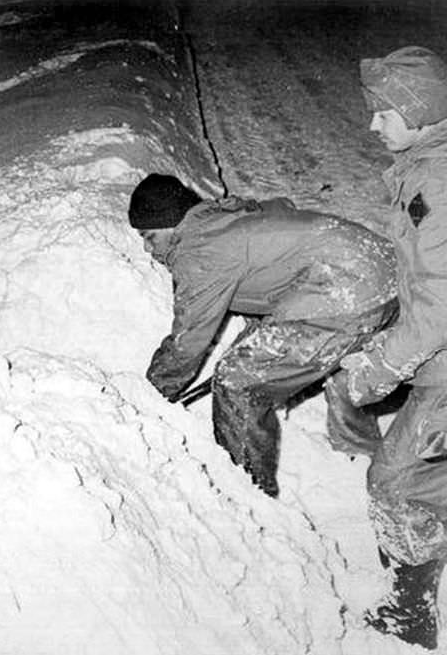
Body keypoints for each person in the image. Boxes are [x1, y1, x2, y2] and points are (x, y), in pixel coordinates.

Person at [129, 173, 398, 500]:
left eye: (149, 236)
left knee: (238, 381)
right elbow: (280, 210)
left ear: (171, 223)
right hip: (380, 267)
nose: (146, 247)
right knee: (278, 357)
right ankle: (360, 449)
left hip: (348, 290)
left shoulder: (197, 252)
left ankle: (247, 495)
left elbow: (187, 343)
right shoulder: (219, 219)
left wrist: (149, 394)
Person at [339, 45, 447, 650]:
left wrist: (379, 366)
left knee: (396, 480)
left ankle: (411, 614)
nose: (372, 124)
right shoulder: (430, 166)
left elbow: (441, 306)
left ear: (416, 109)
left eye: (383, 112)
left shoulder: (437, 181)